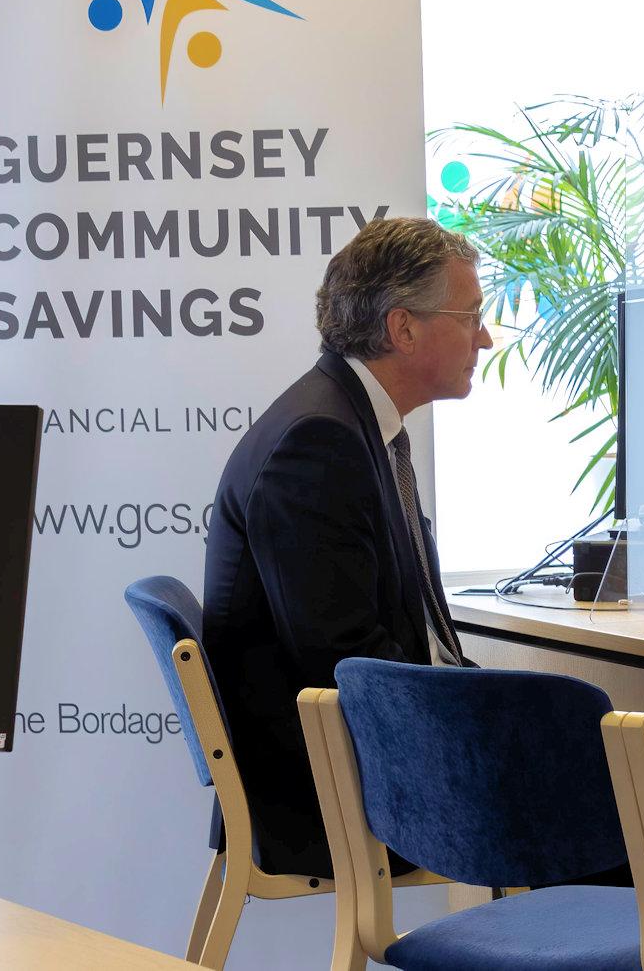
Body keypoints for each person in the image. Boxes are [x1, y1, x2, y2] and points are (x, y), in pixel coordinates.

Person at [200, 216, 492, 877]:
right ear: (404, 328)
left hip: (350, 762)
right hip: (327, 795)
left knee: (583, 770)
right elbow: (345, 660)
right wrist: (475, 729)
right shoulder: (317, 443)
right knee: (604, 802)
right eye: (470, 316)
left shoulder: (350, 422)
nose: (486, 337)